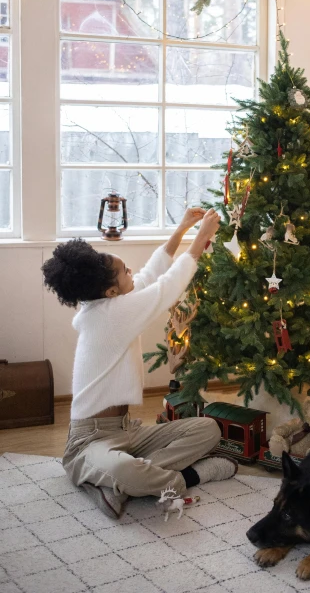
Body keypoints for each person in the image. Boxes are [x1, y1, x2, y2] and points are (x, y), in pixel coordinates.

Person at [41, 207, 235, 519]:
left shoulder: (110, 302)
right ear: (112, 291)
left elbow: (149, 277)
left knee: (208, 429)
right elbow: (166, 287)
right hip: (88, 440)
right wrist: (200, 238)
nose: (132, 271)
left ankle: (115, 483)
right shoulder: (110, 316)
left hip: (126, 431)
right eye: (124, 271)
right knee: (122, 467)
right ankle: (184, 478)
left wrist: (182, 229)